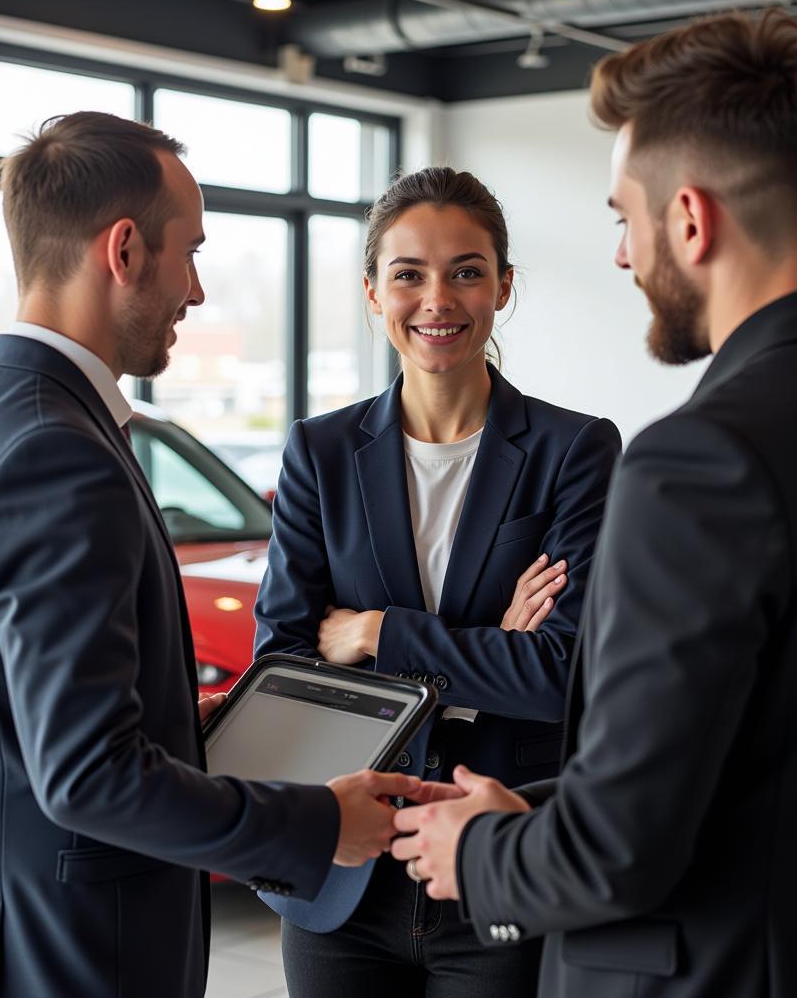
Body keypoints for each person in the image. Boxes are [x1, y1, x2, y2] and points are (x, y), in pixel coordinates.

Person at [391, 10, 797, 998]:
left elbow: (621, 850)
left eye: (621, 218)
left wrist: (473, 851)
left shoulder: (698, 461)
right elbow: (777, 763)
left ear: (688, 219)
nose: (621, 256)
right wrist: (539, 811)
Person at [0, 112, 419, 998]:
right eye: (189, 251)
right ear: (123, 250)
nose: (197, 290)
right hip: (65, 953)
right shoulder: (56, 450)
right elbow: (88, 777)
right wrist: (318, 822)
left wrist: (176, 714)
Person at [253, 166, 621, 998]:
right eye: (409, 274)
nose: (437, 300)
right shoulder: (320, 453)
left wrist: (377, 634)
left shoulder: (576, 453)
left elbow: (566, 676)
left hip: (494, 868)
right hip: (341, 877)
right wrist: (492, 647)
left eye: (466, 270)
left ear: (504, 286)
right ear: (373, 293)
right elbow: (283, 669)